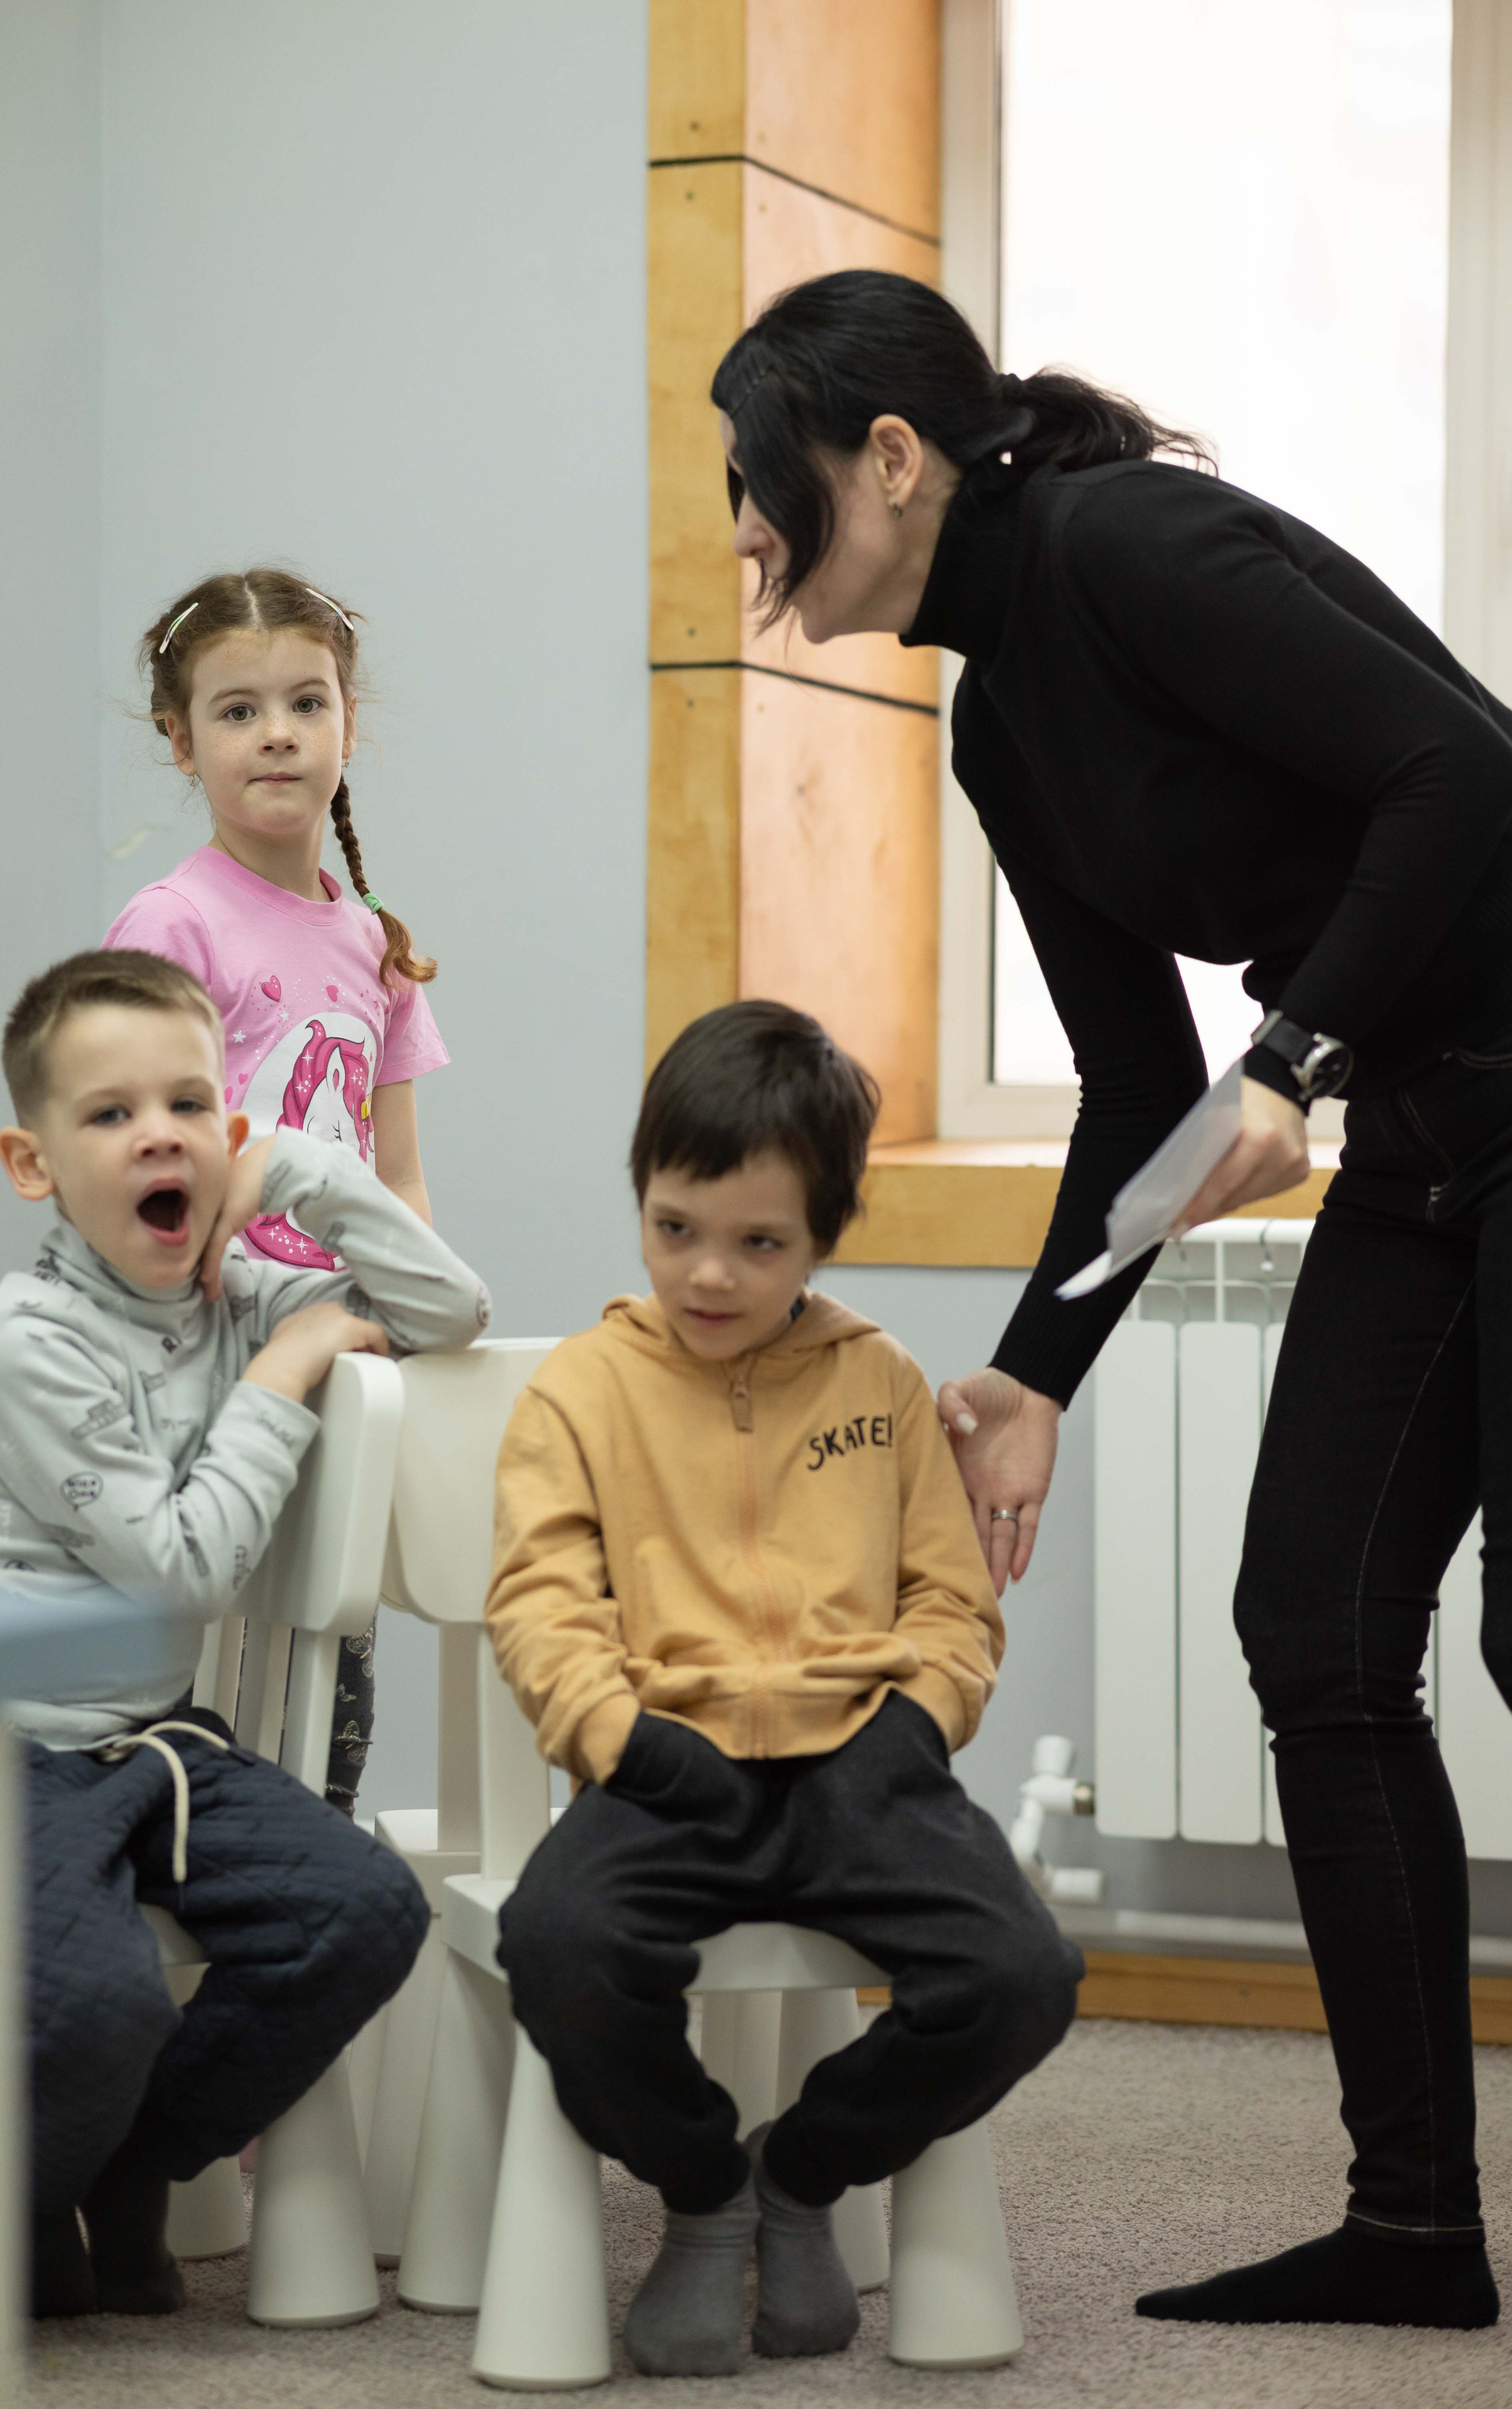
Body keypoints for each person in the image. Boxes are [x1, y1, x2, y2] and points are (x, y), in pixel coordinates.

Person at [709, 266, 1512, 2332]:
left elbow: (1468, 774)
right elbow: (1144, 1086)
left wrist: (1299, 1053)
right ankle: (1417, 2228)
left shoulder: (1130, 540)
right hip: (1428, 1137)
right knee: (1317, 1633)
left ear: (886, 458)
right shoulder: (996, 724)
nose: (742, 533)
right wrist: (1035, 1369)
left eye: (755, 476)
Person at [485, 1000, 1082, 2379]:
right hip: (663, 1771)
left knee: (1020, 1975)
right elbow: (540, 1603)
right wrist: (622, 1742)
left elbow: (948, 1600)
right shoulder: (576, 1395)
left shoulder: (879, 1386)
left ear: (822, 1238)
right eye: (676, 1226)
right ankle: (700, 2192)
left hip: (861, 1770)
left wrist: (912, 1732)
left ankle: (800, 2175)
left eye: (759, 1245)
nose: (708, 1273)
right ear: (642, 1195)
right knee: (559, 1954)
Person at [0, 948, 490, 2318]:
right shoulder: (30, 1343)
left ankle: (124, 2168)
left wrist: (288, 1166)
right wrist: (289, 1374)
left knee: (359, 1911)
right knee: (93, 2007)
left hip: (142, 1742)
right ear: (32, 1163)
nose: (155, 1132)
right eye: (107, 1115)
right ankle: (3, 2211)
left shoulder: (235, 1294)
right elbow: (180, 1571)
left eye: (187, 1103)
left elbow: (449, 1313)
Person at [104, 569, 448, 1814]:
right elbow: (131, 1179)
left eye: (306, 702)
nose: (279, 734)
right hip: (207, 1379)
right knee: (192, 1698)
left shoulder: (374, 947)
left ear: (347, 717)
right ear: (180, 739)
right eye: (238, 710)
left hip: (339, 1375)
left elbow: (394, 1170)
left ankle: (310, 1919)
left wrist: (402, 1322)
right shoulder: (172, 926)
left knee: (326, 1706)